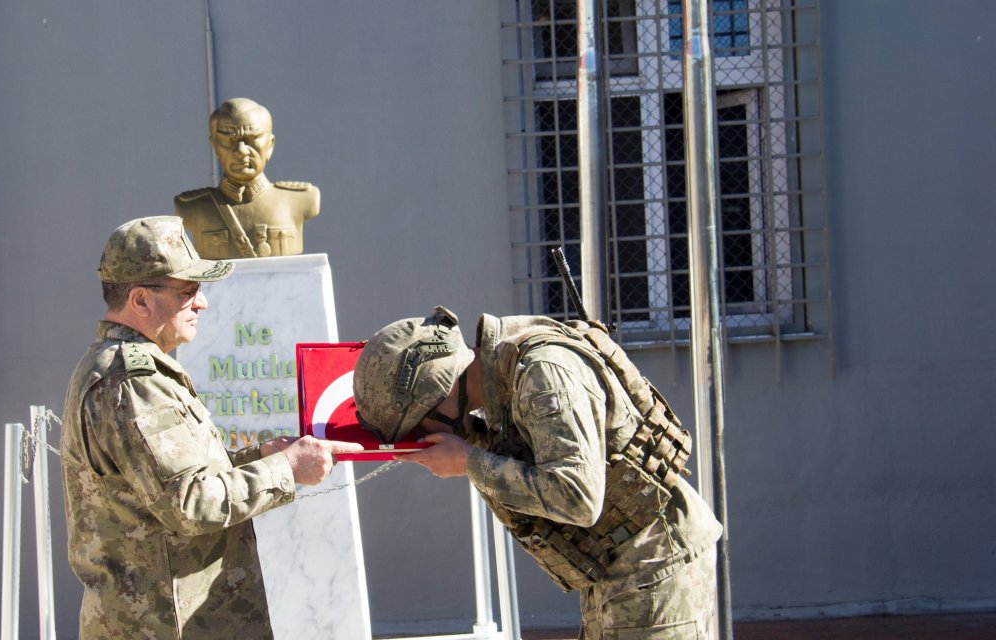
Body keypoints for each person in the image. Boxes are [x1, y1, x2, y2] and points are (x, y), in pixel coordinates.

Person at [60, 215, 362, 639]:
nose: (201, 303)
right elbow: (189, 503)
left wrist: (257, 458)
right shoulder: (132, 381)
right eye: (188, 291)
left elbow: (168, 482)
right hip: (168, 623)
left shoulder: (131, 369)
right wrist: (286, 469)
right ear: (141, 300)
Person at [352, 307, 723, 639]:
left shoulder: (542, 375)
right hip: (622, 565)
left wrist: (468, 461)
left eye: (418, 426)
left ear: (439, 392)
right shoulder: (507, 378)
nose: (422, 437)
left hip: (653, 565)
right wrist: (468, 453)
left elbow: (577, 496)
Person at [174, 98, 319, 259]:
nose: (241, 151)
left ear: (270, 145)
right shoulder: (193, 206)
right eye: (228, 140)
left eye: (252, 139)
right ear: (215, 146)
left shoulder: (300, 198)